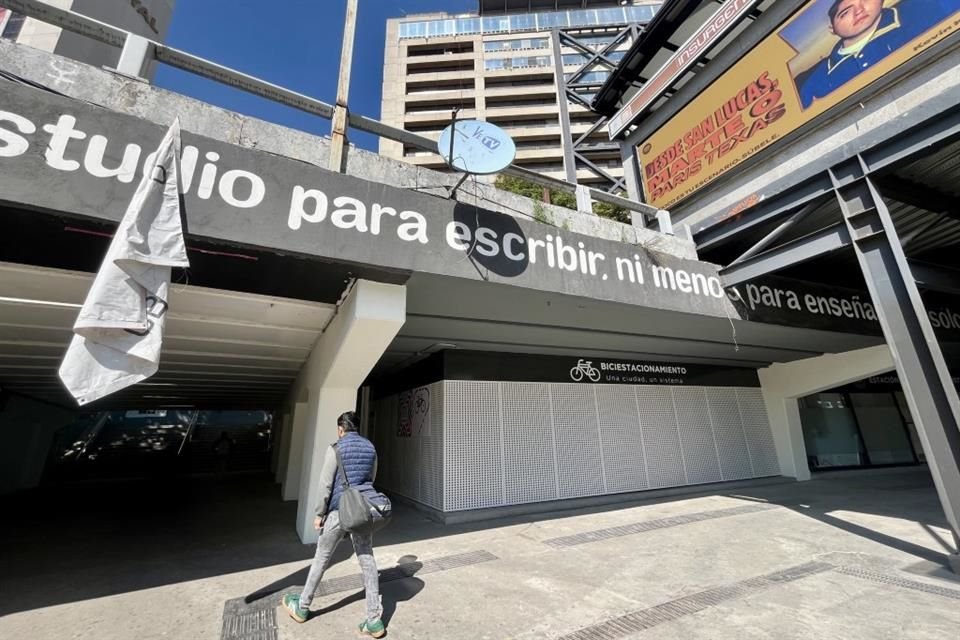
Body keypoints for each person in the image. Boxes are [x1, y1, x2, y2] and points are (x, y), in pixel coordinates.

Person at [281, 411, 385, 638]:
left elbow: (325, 484)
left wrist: (319, 513)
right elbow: (371, 478)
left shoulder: (336, 448)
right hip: (361, 510)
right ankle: (374, 620)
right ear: (357, 427)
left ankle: (303, 606)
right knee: (367, 559)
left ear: (341, 429)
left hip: (338, 512)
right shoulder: (370, 447)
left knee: (321, 558)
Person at [798, 0, 956, 108]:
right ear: (832, 28)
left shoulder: (926, 8)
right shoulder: (814, 83)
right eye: (845, 12)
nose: (859, 11)